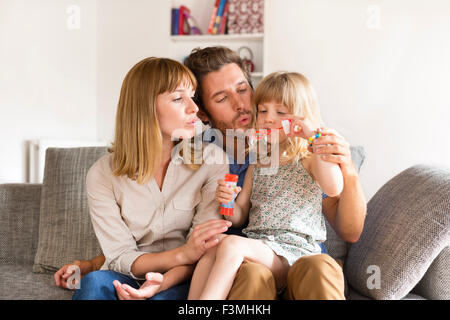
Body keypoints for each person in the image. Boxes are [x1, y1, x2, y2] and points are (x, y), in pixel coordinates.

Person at [55, 46, 366, 300]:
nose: (243, 104)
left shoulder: (293, 150)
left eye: (243, 90)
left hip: (291, 256)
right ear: (202, 112)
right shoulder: (209, 152)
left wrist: (347, 169)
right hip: (235, 267)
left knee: (307, 269)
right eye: (222, 98)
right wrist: (93, 263)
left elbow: (348, 228)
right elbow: (157, 238)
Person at [63, 57, 232, 300]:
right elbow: (119, 256)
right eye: (177, 98)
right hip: (128, 273)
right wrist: (184, 253)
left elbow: (205, 250)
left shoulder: (212, 161)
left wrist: (163, 281)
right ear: (144, 108)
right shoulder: (102, 174)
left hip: (181, 277)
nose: (194, 108)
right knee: (93, 284)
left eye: (192, 96)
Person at [188, 71, 344, 299]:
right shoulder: (259, 161)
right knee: (214, 245)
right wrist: (228, 203)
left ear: (302, 118)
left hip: (296, 254)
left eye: (280, 112)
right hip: (263, 251)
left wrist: (311, 136)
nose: (268, 118)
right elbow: (240, 216)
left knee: (231, 245)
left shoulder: (309, 158)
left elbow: (334, 188)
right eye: (262, 111)